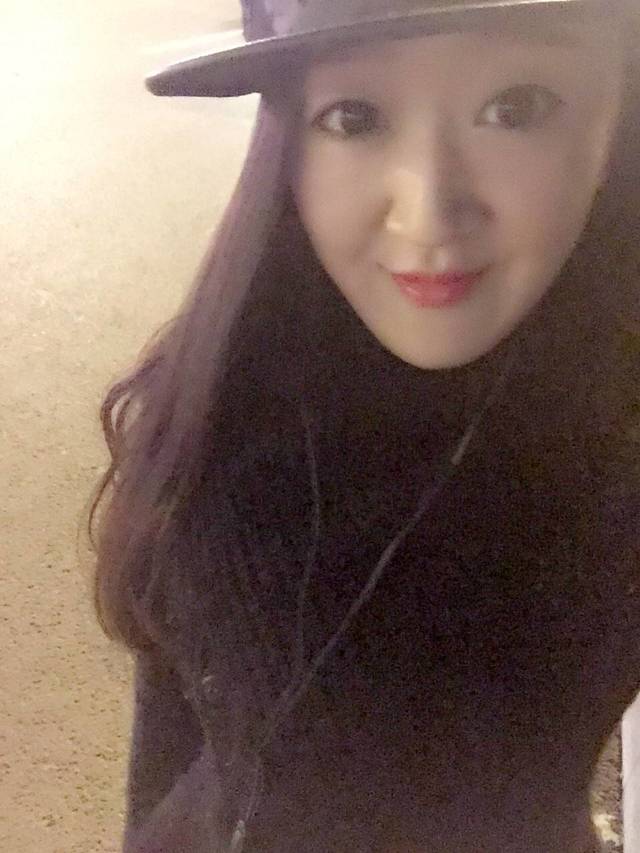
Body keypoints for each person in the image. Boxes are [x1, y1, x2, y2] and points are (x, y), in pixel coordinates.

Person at [87, 1, 640, 851]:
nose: (427, 212)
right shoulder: (243, 348)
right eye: (354, 117)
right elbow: (177, 716)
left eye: (518, 107)